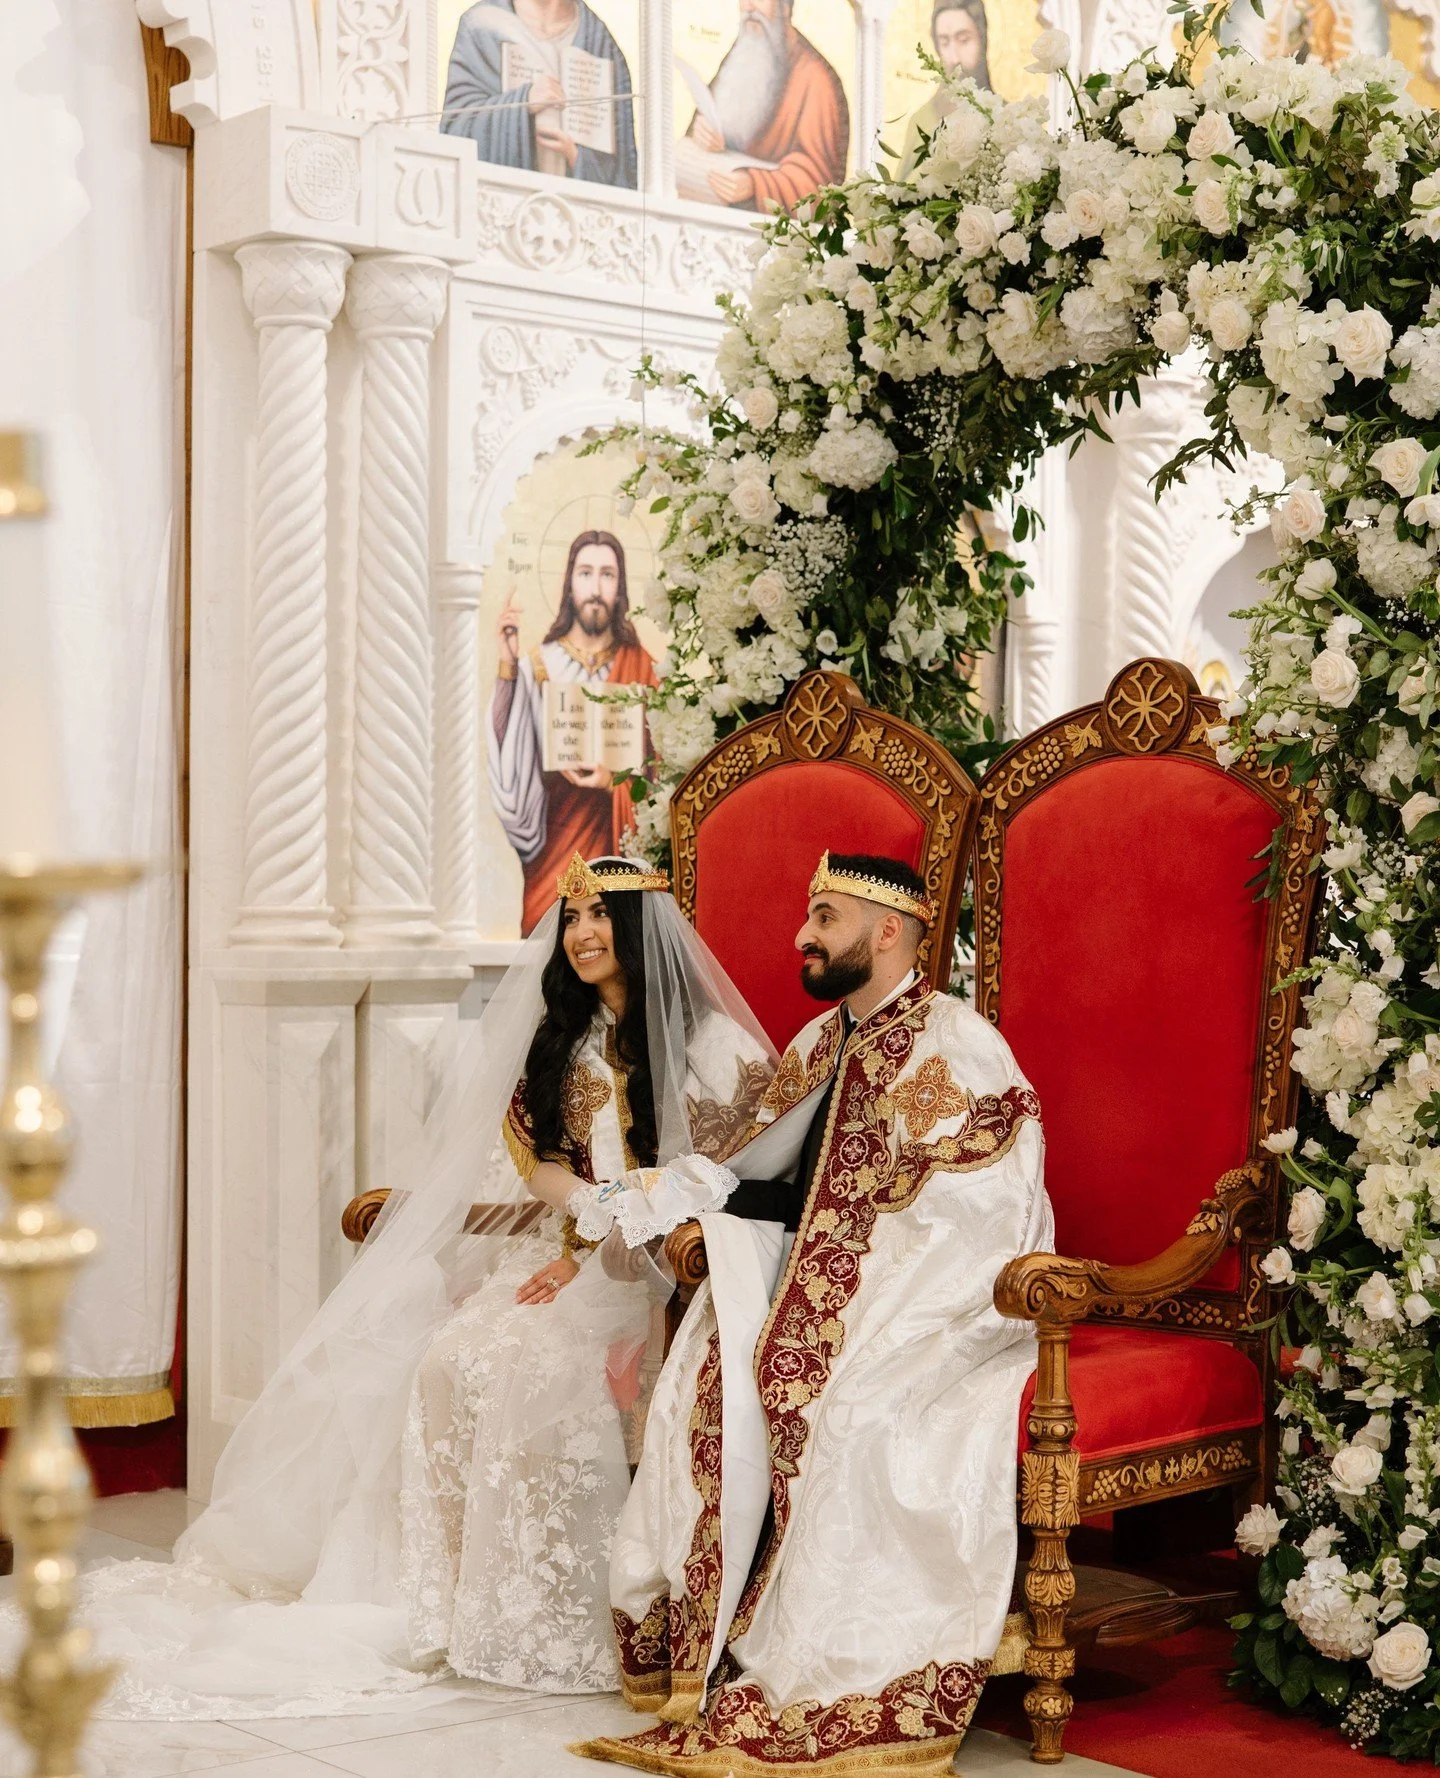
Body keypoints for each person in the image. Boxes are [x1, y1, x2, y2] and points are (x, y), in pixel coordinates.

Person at [39, 857, 774, 1717]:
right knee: (449, 1359)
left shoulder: (715, 1049)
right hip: (577, 1253)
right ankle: (448, 1600)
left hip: (674, 1272)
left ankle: (559, 1612)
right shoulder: (565, 1044)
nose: (580, 935)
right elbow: (543, 1164)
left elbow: (733, 1175)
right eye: (570, 919)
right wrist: (582, 1218)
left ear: (643, 932)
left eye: (599, 918)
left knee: (529, 1372)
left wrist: (629, 1228)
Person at [575, 851, 1053, 1775]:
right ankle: (706, 1649)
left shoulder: (943, 1043)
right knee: (703, 1377)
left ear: (887, 932)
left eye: (825, 918)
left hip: (927, 1298)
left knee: (855, 1410)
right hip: (817, 1286)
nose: (804, 934)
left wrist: (854, 1281)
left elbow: (973, 1198)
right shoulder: (815, 1045)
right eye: (810, 914)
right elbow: (764, 1175)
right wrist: (690, 1215)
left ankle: (839, 1663)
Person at [490, 531, 659, 936]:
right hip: (555, 850)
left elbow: (664, 773)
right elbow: (510, 750)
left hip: (621, 857)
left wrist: (613, 781)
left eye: (607, 575)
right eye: (586, 573)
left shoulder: (642, 667)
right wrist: (508, 668)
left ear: (620, 587)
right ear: (570, 583)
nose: (596, 588)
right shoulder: (537, 664)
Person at [441, 0, 638, 189]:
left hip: (575, 214)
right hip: (497, 210)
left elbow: (622, 174)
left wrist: (576, 158)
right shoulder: (480, 26)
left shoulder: (601, 44)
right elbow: (455, 133)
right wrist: (523, 102)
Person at [677, 0, 848, 213]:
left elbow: (820, 185)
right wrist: (704, 134)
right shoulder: (743, 56)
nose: (748, 7)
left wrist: (755, 184)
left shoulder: (815, 79)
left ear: (785, 8)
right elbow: (720, 129)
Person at [899, 0, 993, 177]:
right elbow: (898, 193)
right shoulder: (922, 121)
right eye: (944, 42)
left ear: (982, 38)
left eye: (964, 40)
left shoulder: (1009, 121)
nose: (954, 57)